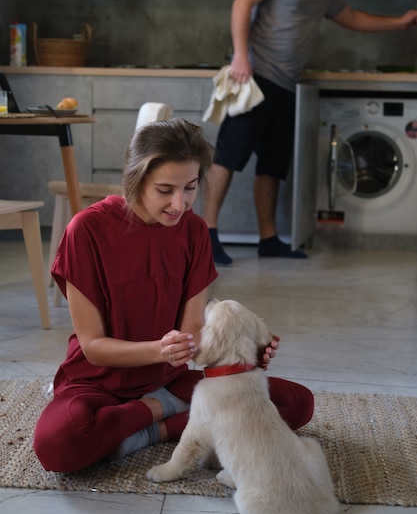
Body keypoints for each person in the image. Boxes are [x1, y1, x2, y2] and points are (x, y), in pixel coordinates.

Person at [34, 117, 314, 473]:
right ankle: (160, 414)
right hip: (97, 382)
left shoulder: (195, 232)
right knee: (58, 444)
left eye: (190, 188)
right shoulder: (86, 230)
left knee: (295, 404)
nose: (179, 204)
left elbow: (193, 333)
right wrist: (158, 352)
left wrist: (246, 353)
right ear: (137, 180)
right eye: (165, 190)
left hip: (167, 381)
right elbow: (92, 346)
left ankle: (147, 430)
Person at [204, 0, 417, 265]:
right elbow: (242, 2)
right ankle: (207, 235)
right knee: (228, 156)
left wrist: (400, 22)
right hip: (254, 77)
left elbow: (354, 18)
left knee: (272, 166)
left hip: (287, 84)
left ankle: (268, 239)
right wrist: (241, 58)